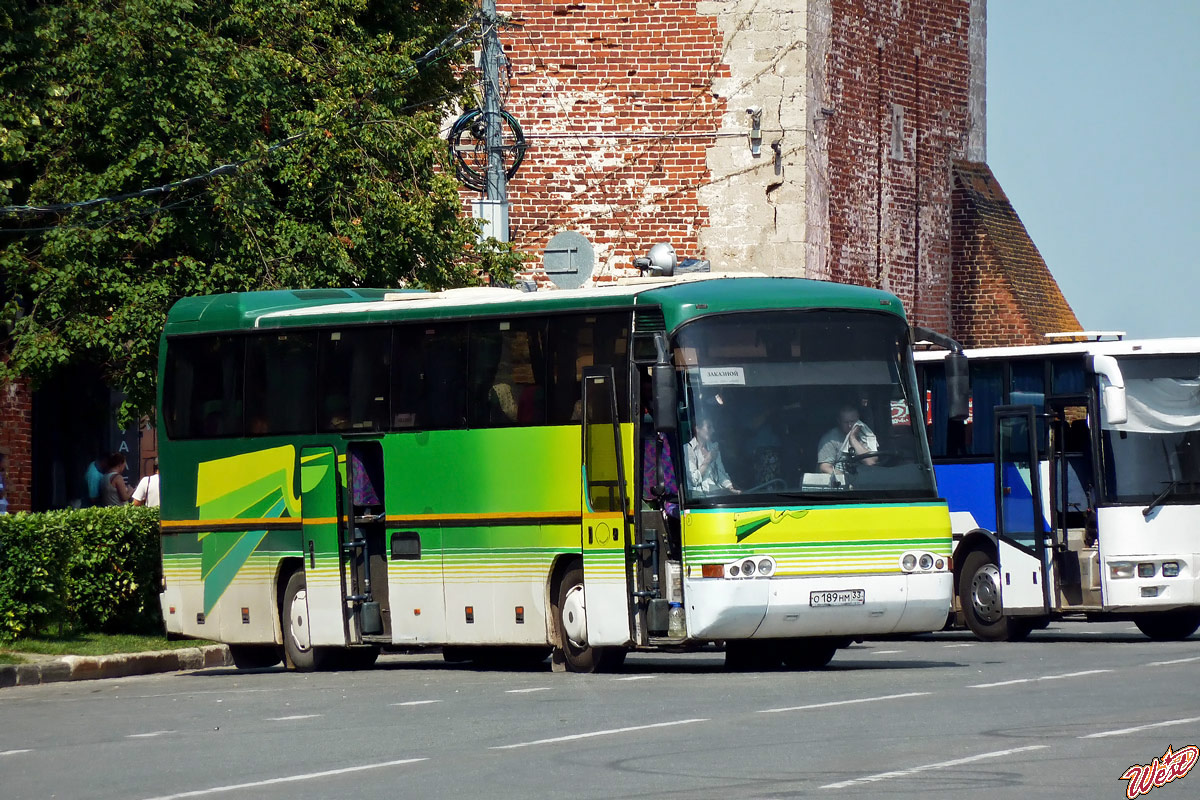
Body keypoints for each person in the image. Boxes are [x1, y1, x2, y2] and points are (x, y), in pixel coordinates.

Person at [817, 406, 879, 474]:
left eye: (852, 421)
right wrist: (844, 478)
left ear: (858, 419)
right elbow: (825, 467)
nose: (850, 425)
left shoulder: (867, 435)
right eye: (846, 422)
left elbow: (871, 462)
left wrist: (852, 438)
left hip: (866, 480)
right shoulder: (830, 439)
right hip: (842, 481)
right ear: (839, 421)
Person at [685, 417, 739, 495]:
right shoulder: (687, 449)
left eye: (713, 427)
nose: (713, 430)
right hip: (698, 498)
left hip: (716, 494)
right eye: (709, 427)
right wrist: (708, 460)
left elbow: (721, 474)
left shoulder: (713, 447)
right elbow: (694, 480)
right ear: (697, 429)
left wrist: (730, 488)